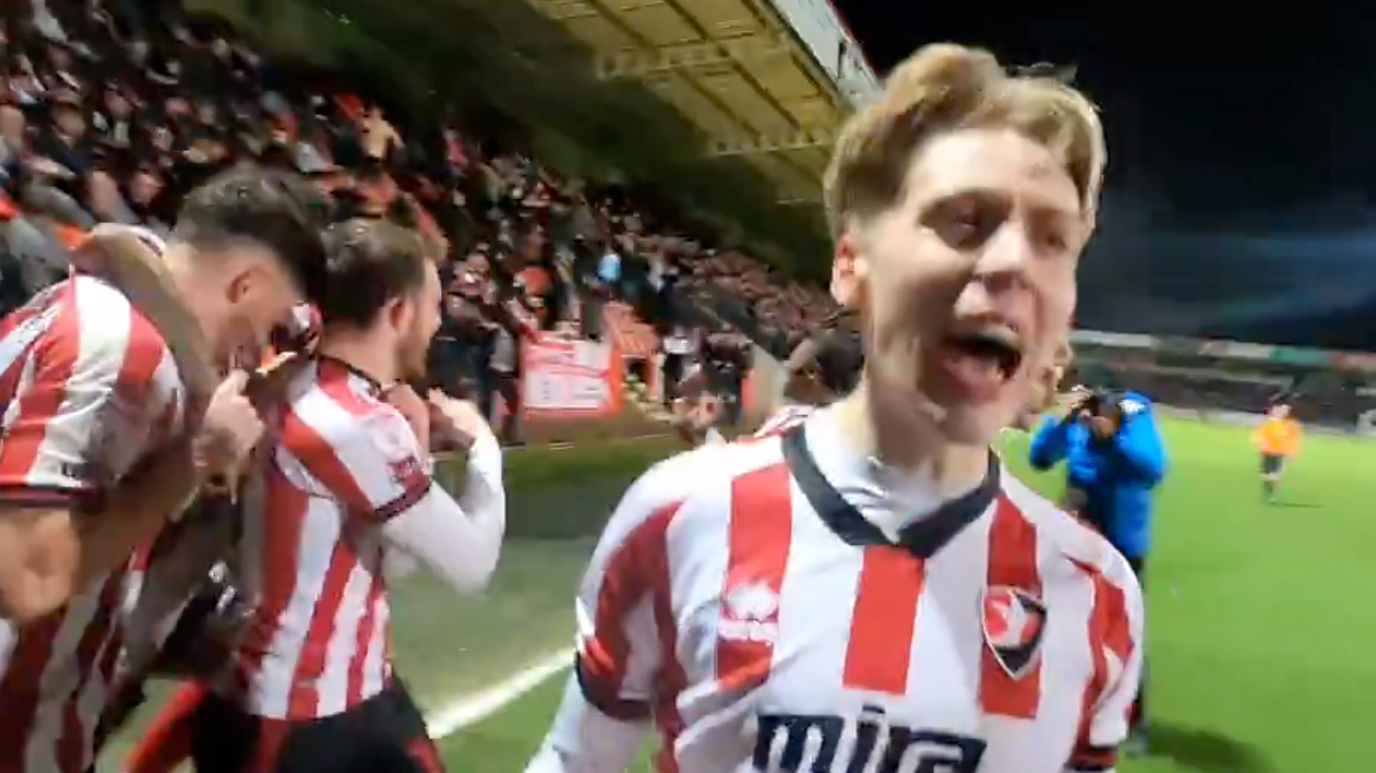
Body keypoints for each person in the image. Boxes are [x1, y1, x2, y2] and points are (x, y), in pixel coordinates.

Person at [524, 43, 1143, 773]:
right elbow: (575, 759)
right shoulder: (681, 514)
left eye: (1053, 240)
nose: (1014, 265)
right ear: (851, 265)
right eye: (967, 221)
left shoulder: (1094, 594)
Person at [0, 166, 331, 773]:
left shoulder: (116, 316)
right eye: (267, 324)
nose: (257, 347)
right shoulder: (119, 344)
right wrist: (195, 460)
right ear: (244, 286)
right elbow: (27, 577)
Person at [183, 219, 506, 773]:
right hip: (299, 718)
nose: (436, 325)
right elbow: (472, 565)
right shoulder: (352, 423)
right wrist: (483, 446)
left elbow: (395, 563)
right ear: (398, 313)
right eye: (432, 308)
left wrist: (419, 447)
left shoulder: (299, 386)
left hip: (339, 691)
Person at [1027, 387, 1166, 750]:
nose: (1092, 407)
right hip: (1074, 537)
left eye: (1097, 401)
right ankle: (1060, 712)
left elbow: (1153, 469)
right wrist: (1061, 420)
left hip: (1120, 542)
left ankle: (1132, 722)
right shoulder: (1076, 420)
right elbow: (1040, 458)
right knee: (1058, 625)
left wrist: (1114, 438)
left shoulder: (1133, 415)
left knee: (1121, 633)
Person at [1252, 401, 1301, 503]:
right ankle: (1268, 494)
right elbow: (1261, 434)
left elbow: (1293, 440)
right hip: (1267, 452)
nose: (1283, 412)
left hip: (1279, 453)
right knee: (1265, 475)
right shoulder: (1268, 423)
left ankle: (1272, 495)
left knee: (1275, 476)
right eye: (1281, 410)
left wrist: (1292, 453)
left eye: (1286, 411)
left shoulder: (1290, 425)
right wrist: (1258, 440)